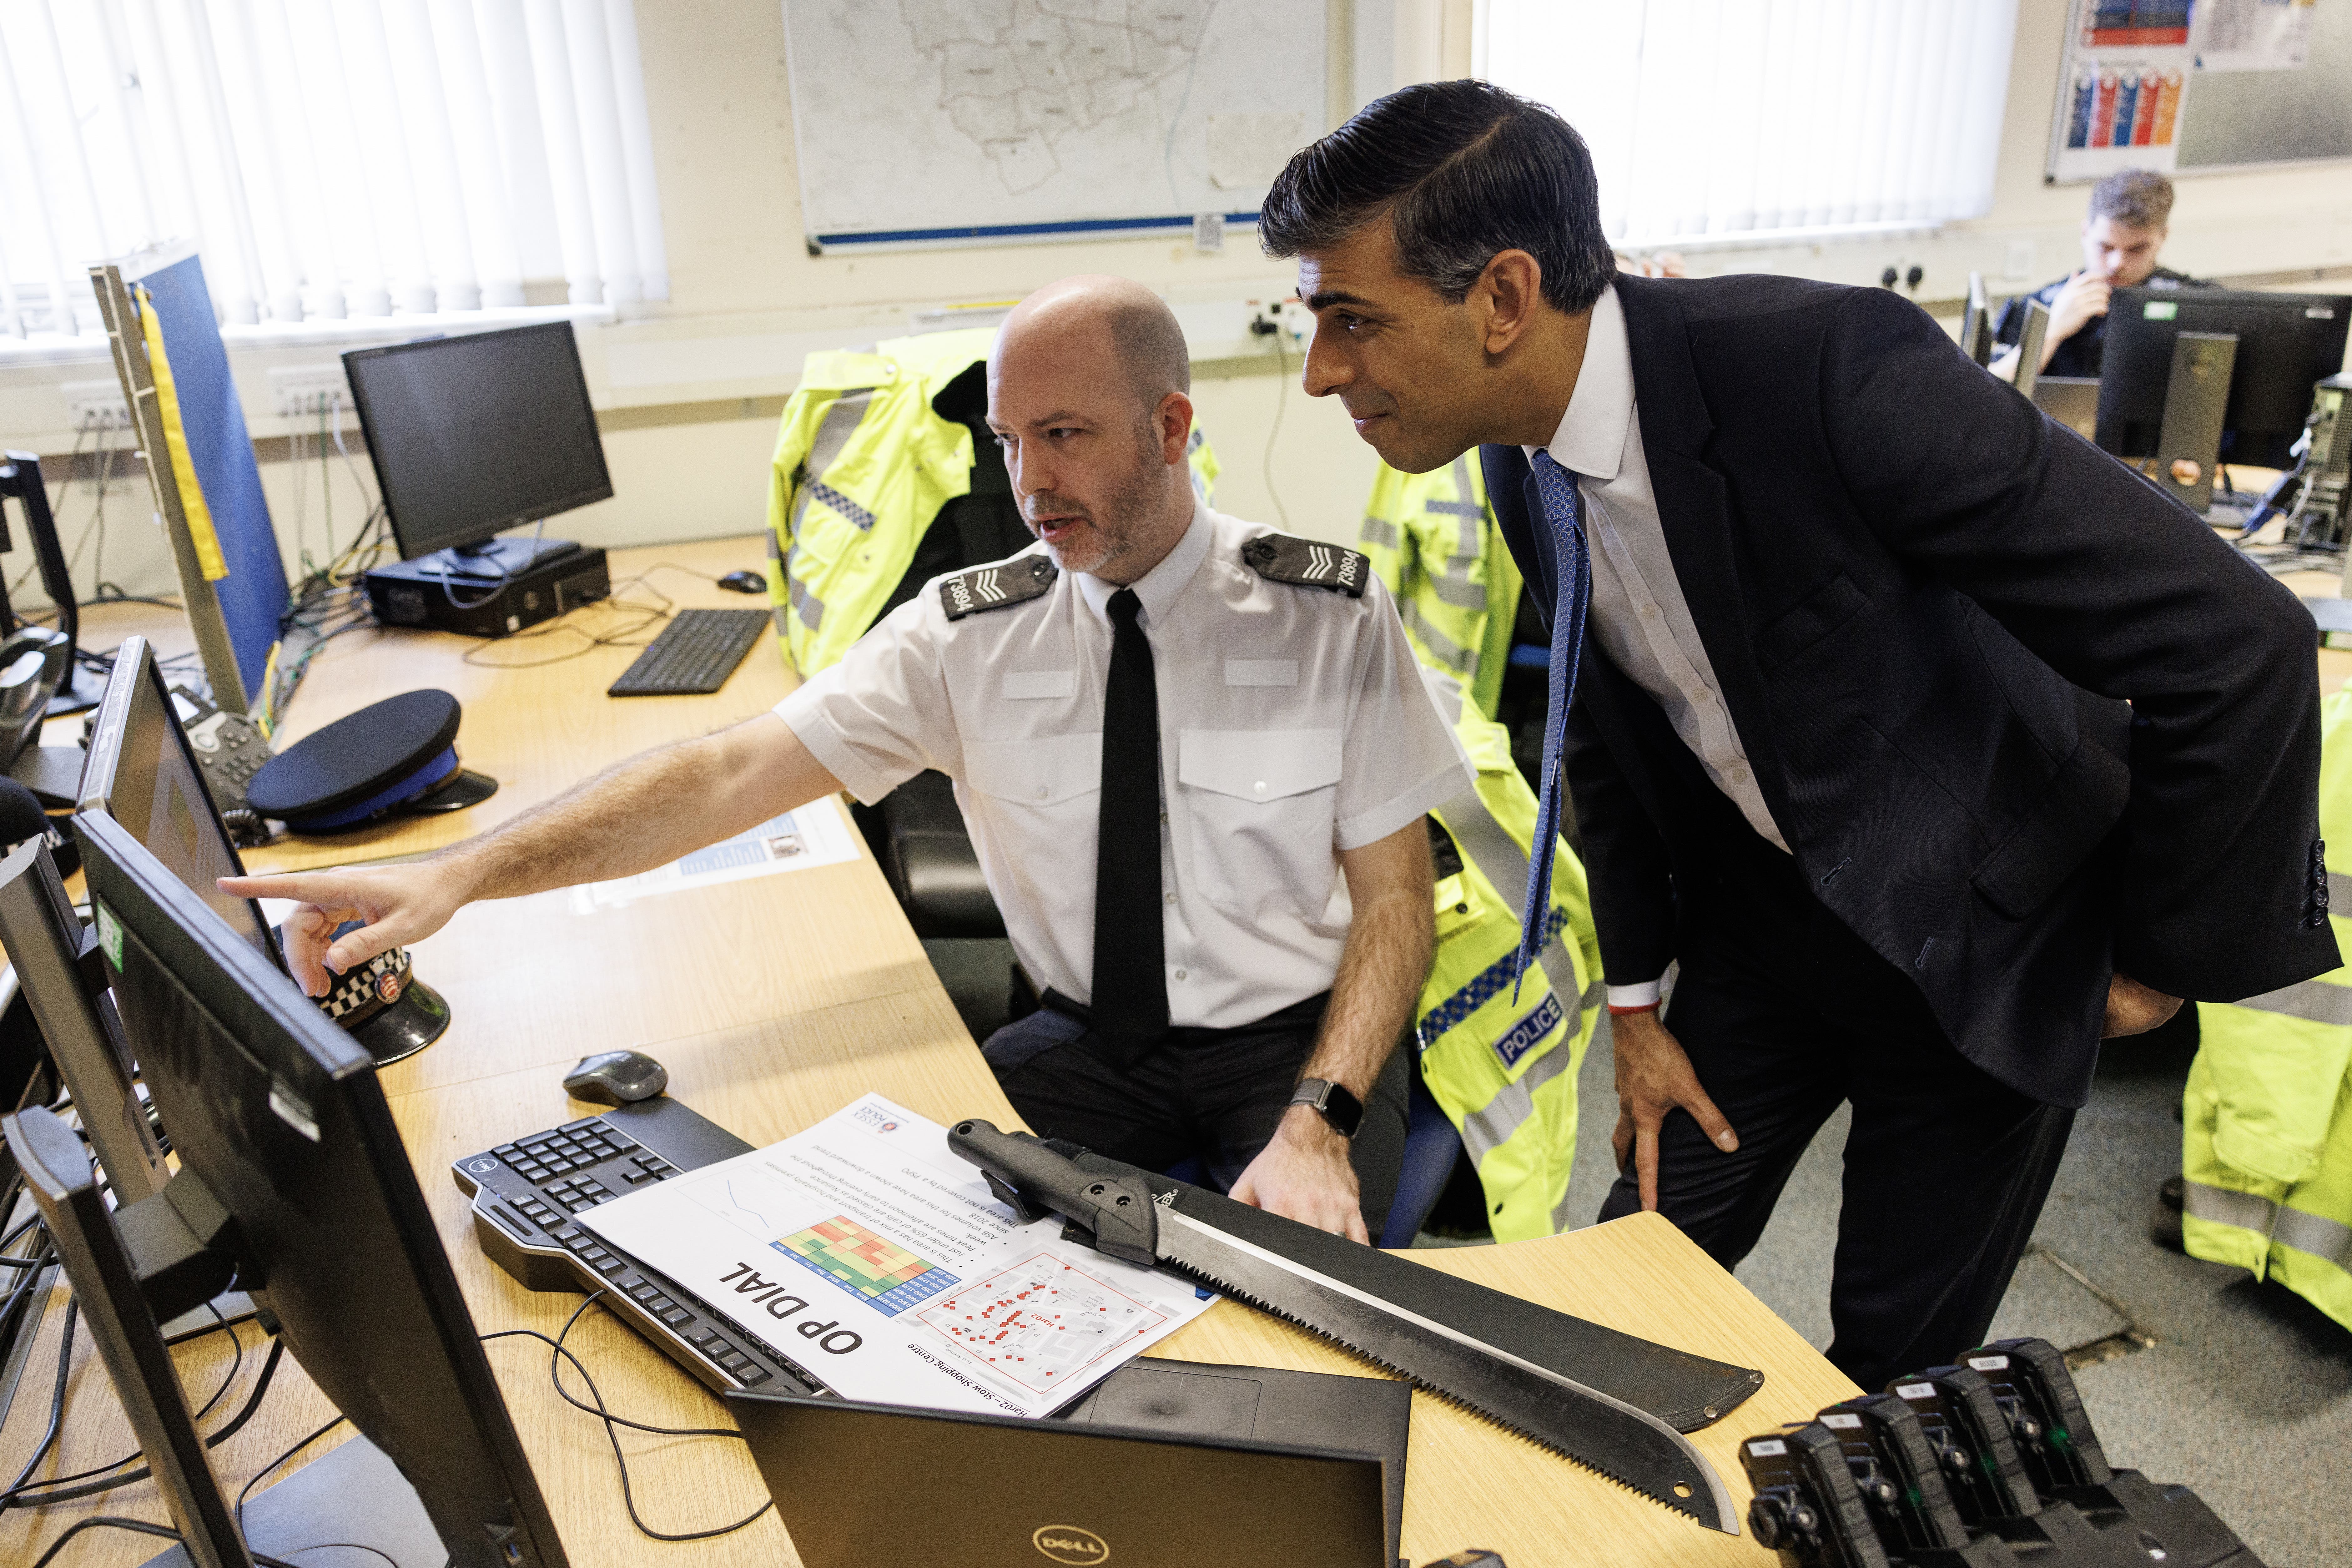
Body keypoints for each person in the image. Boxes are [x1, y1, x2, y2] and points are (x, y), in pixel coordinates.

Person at [1257, 80, 2337, 1386]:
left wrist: (2154, 959)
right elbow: (1603, 736)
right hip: (1764, 926)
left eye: (1349, 320)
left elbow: (2238, 643)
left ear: (1499, 297)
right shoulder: (1510, 454)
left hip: (1982, 926)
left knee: (1892, 1363)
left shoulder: (1825, 370)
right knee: (1621, 1288)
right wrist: (1636, 1001)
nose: (1320, 371)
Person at [224, 276, 1471, 1245]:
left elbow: (1395, 903)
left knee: (1305, 1301)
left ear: (1171, 425)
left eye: (1064, 435)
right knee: (915, 1258)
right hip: (1087, 1045)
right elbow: (721, 776)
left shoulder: (1322, 613)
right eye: (1005, 442)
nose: (1030, 483)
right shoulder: (967, 631)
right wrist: (462, 871)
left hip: (1292, 1046)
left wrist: (1321, 1116)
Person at [1991, 168, 2212, 383]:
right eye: (2105, 247)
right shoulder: (2038, 306)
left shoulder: (2201, 304)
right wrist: (2051, 333)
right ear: (2085, 233)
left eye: (2137, 250)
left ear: (2163, 237)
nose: (2117, 264)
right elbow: (1990, 393)